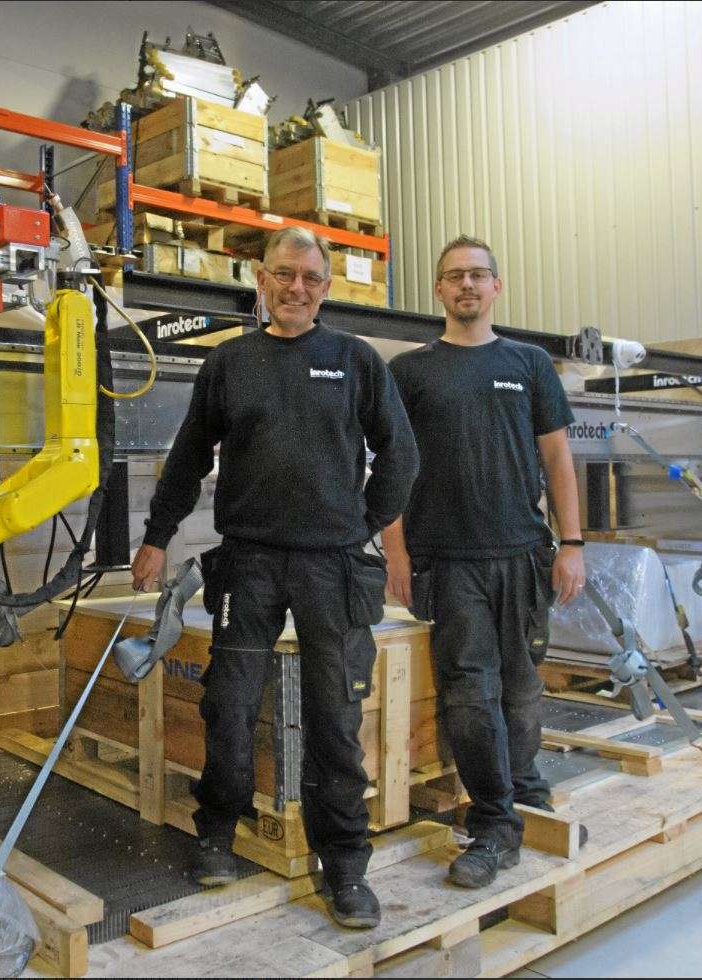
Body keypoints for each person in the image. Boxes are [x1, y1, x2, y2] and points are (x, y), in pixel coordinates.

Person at [130, 226, 418, 928]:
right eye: (284, 275)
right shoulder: (230, 363)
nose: (296, 289)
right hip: (249, 562)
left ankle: (344, 867)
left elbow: (400, 456)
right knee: (228, 705)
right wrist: (154, 538)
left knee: (334, 714)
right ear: (261, 279)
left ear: (324, 288)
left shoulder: (353, 360)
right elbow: (188, 457)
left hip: (331, 567)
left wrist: (359, 526)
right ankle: (216, 838)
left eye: (311, 279)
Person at [384, 235, 586, 889]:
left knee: (523, 684)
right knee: (471, 691)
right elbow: (388, 468)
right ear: (438, 291)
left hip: (524, 553)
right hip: (446, 559)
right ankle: (494, 825)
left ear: (496, 287)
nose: (466, 285)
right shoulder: (409, 372)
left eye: (477, 275)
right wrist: (395, 552)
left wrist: (572, 544)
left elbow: (557, 459)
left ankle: (522, 788)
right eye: (453, 277)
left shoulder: (528, 364)